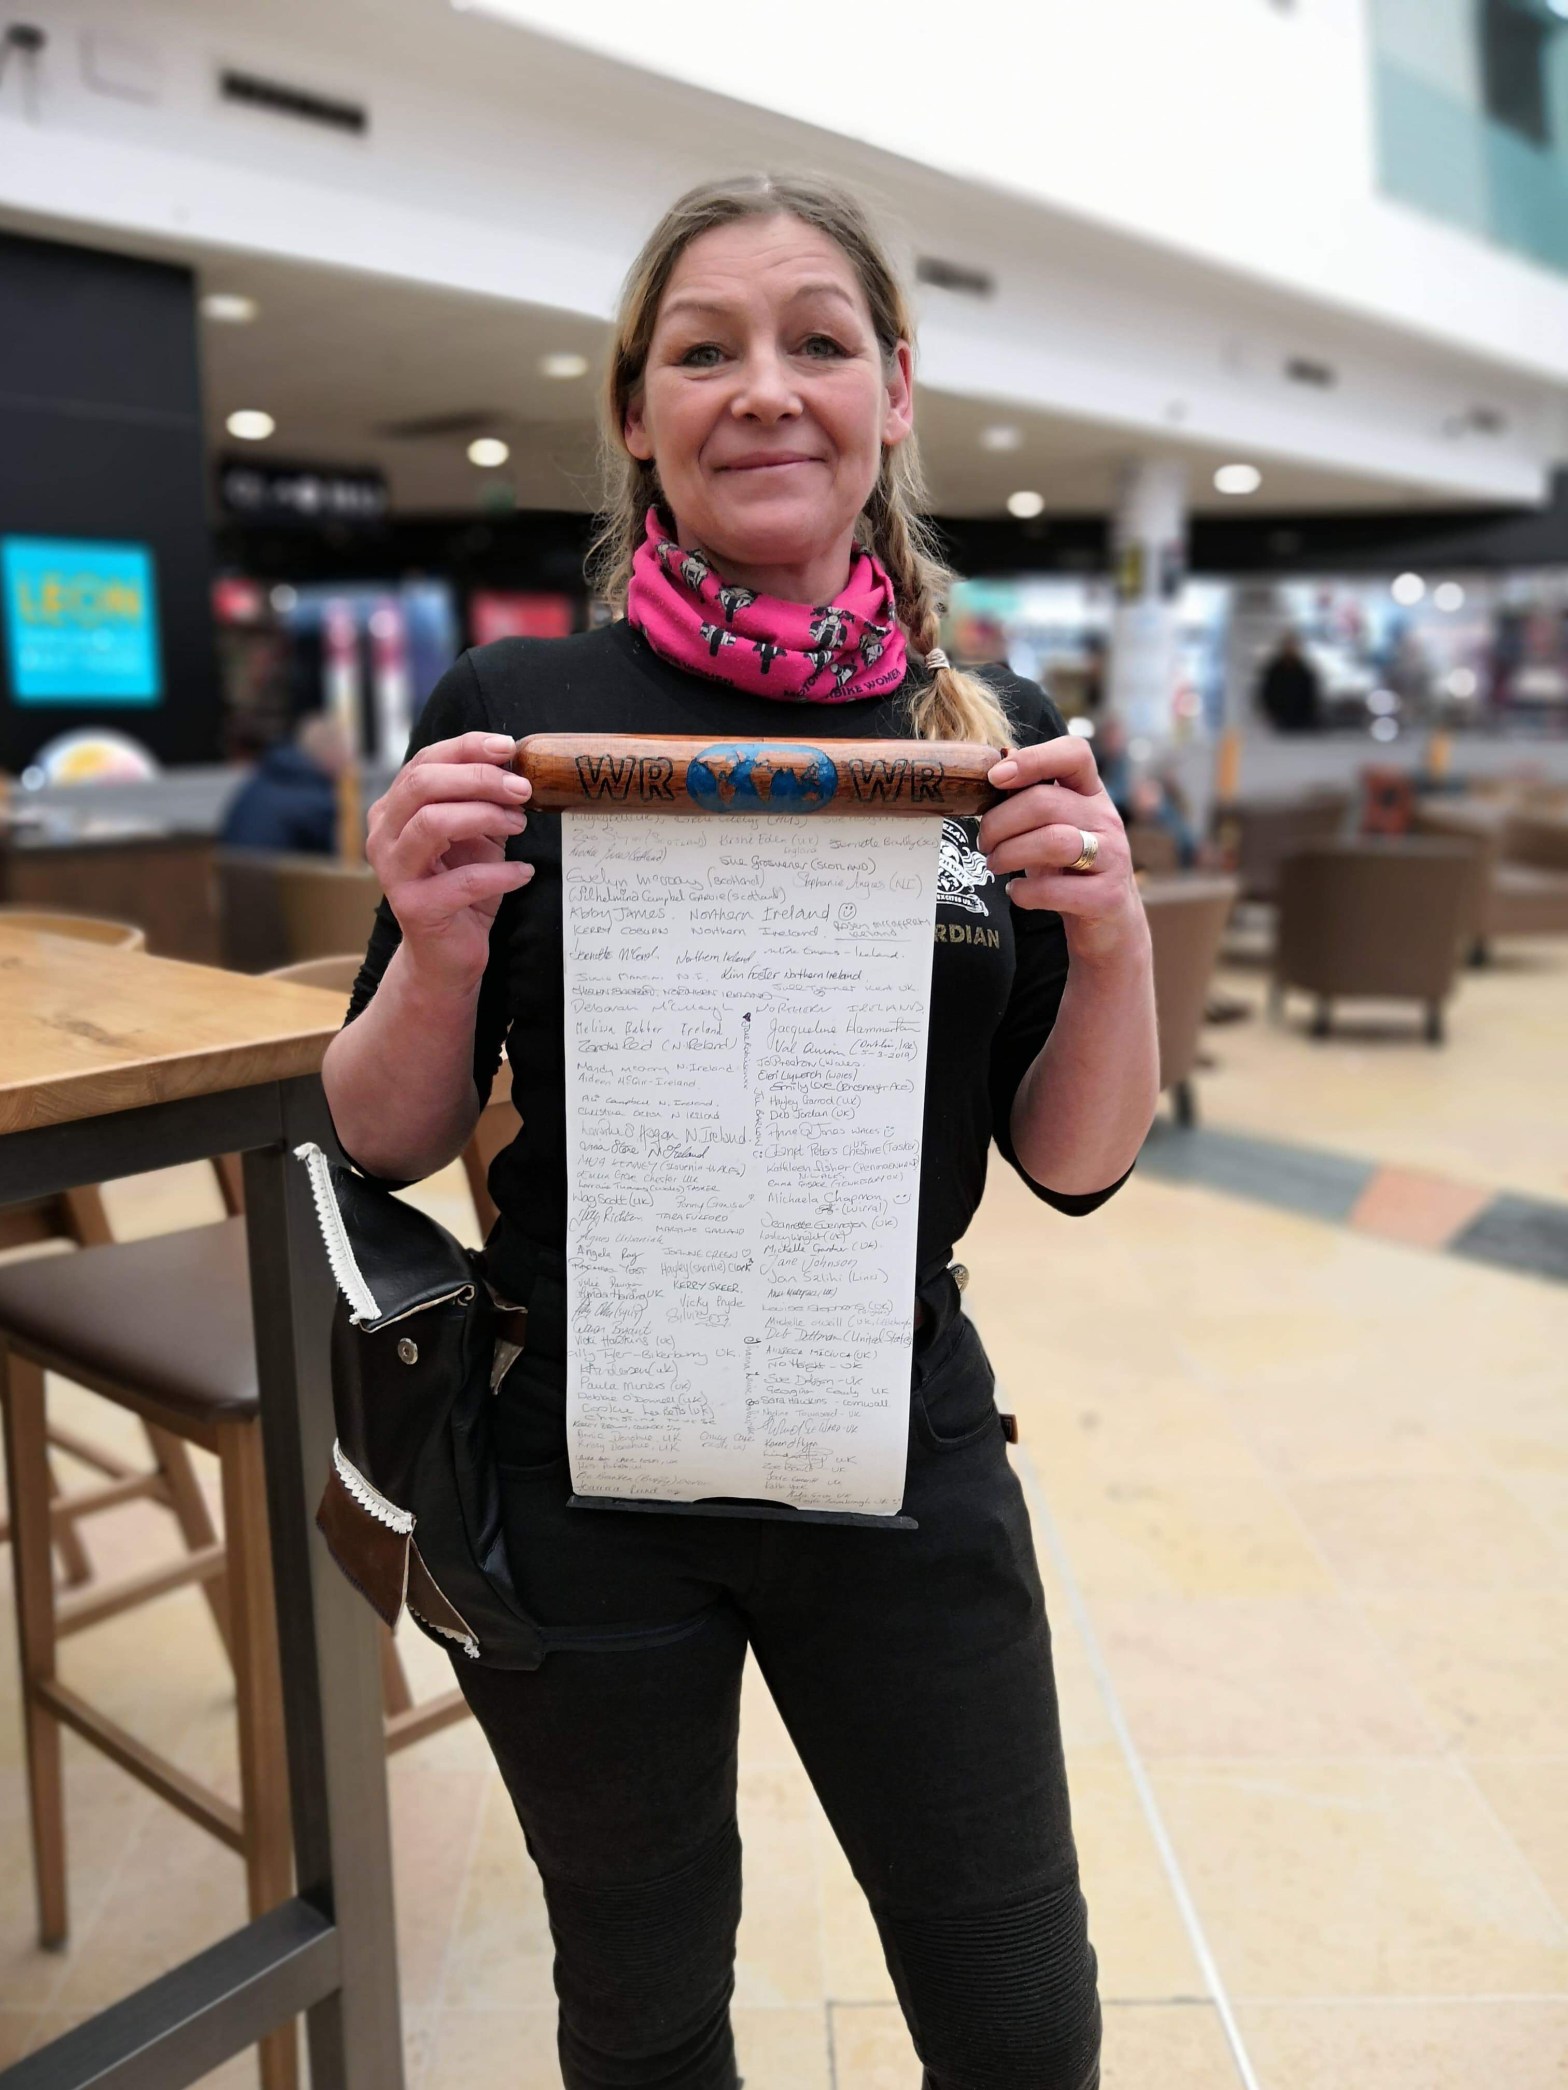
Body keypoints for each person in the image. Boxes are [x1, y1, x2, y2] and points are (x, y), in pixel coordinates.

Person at [322, 175, 1157, 2090]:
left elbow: (1077, 1160)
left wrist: (1105, 936)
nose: (761, 388)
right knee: (638, 2002)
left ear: (893, 392)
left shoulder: (990, 726)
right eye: (703, 350)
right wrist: (433, 949)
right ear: (637, 414)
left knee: (1015, 2001)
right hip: (575, 1450)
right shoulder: (518, 712)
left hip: (894, 1421)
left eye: (815, 342)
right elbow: (376, 1135)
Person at [217, 712, 350, 853]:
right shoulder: (317, 802)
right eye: (347, 753)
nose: (349, 763)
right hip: (277, 873)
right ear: (331, 753)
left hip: (238, 872)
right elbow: (342, 858)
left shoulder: (264, 780)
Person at [1255, 628, 1322, 734]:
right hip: (1280, 722)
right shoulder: (1274, 670)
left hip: (1302, 721)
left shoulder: (1304, 670)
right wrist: (1272, 714)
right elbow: (1265, 693)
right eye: (1288, 646)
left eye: (1293, 646)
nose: (1291, 649)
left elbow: (1312, 694)